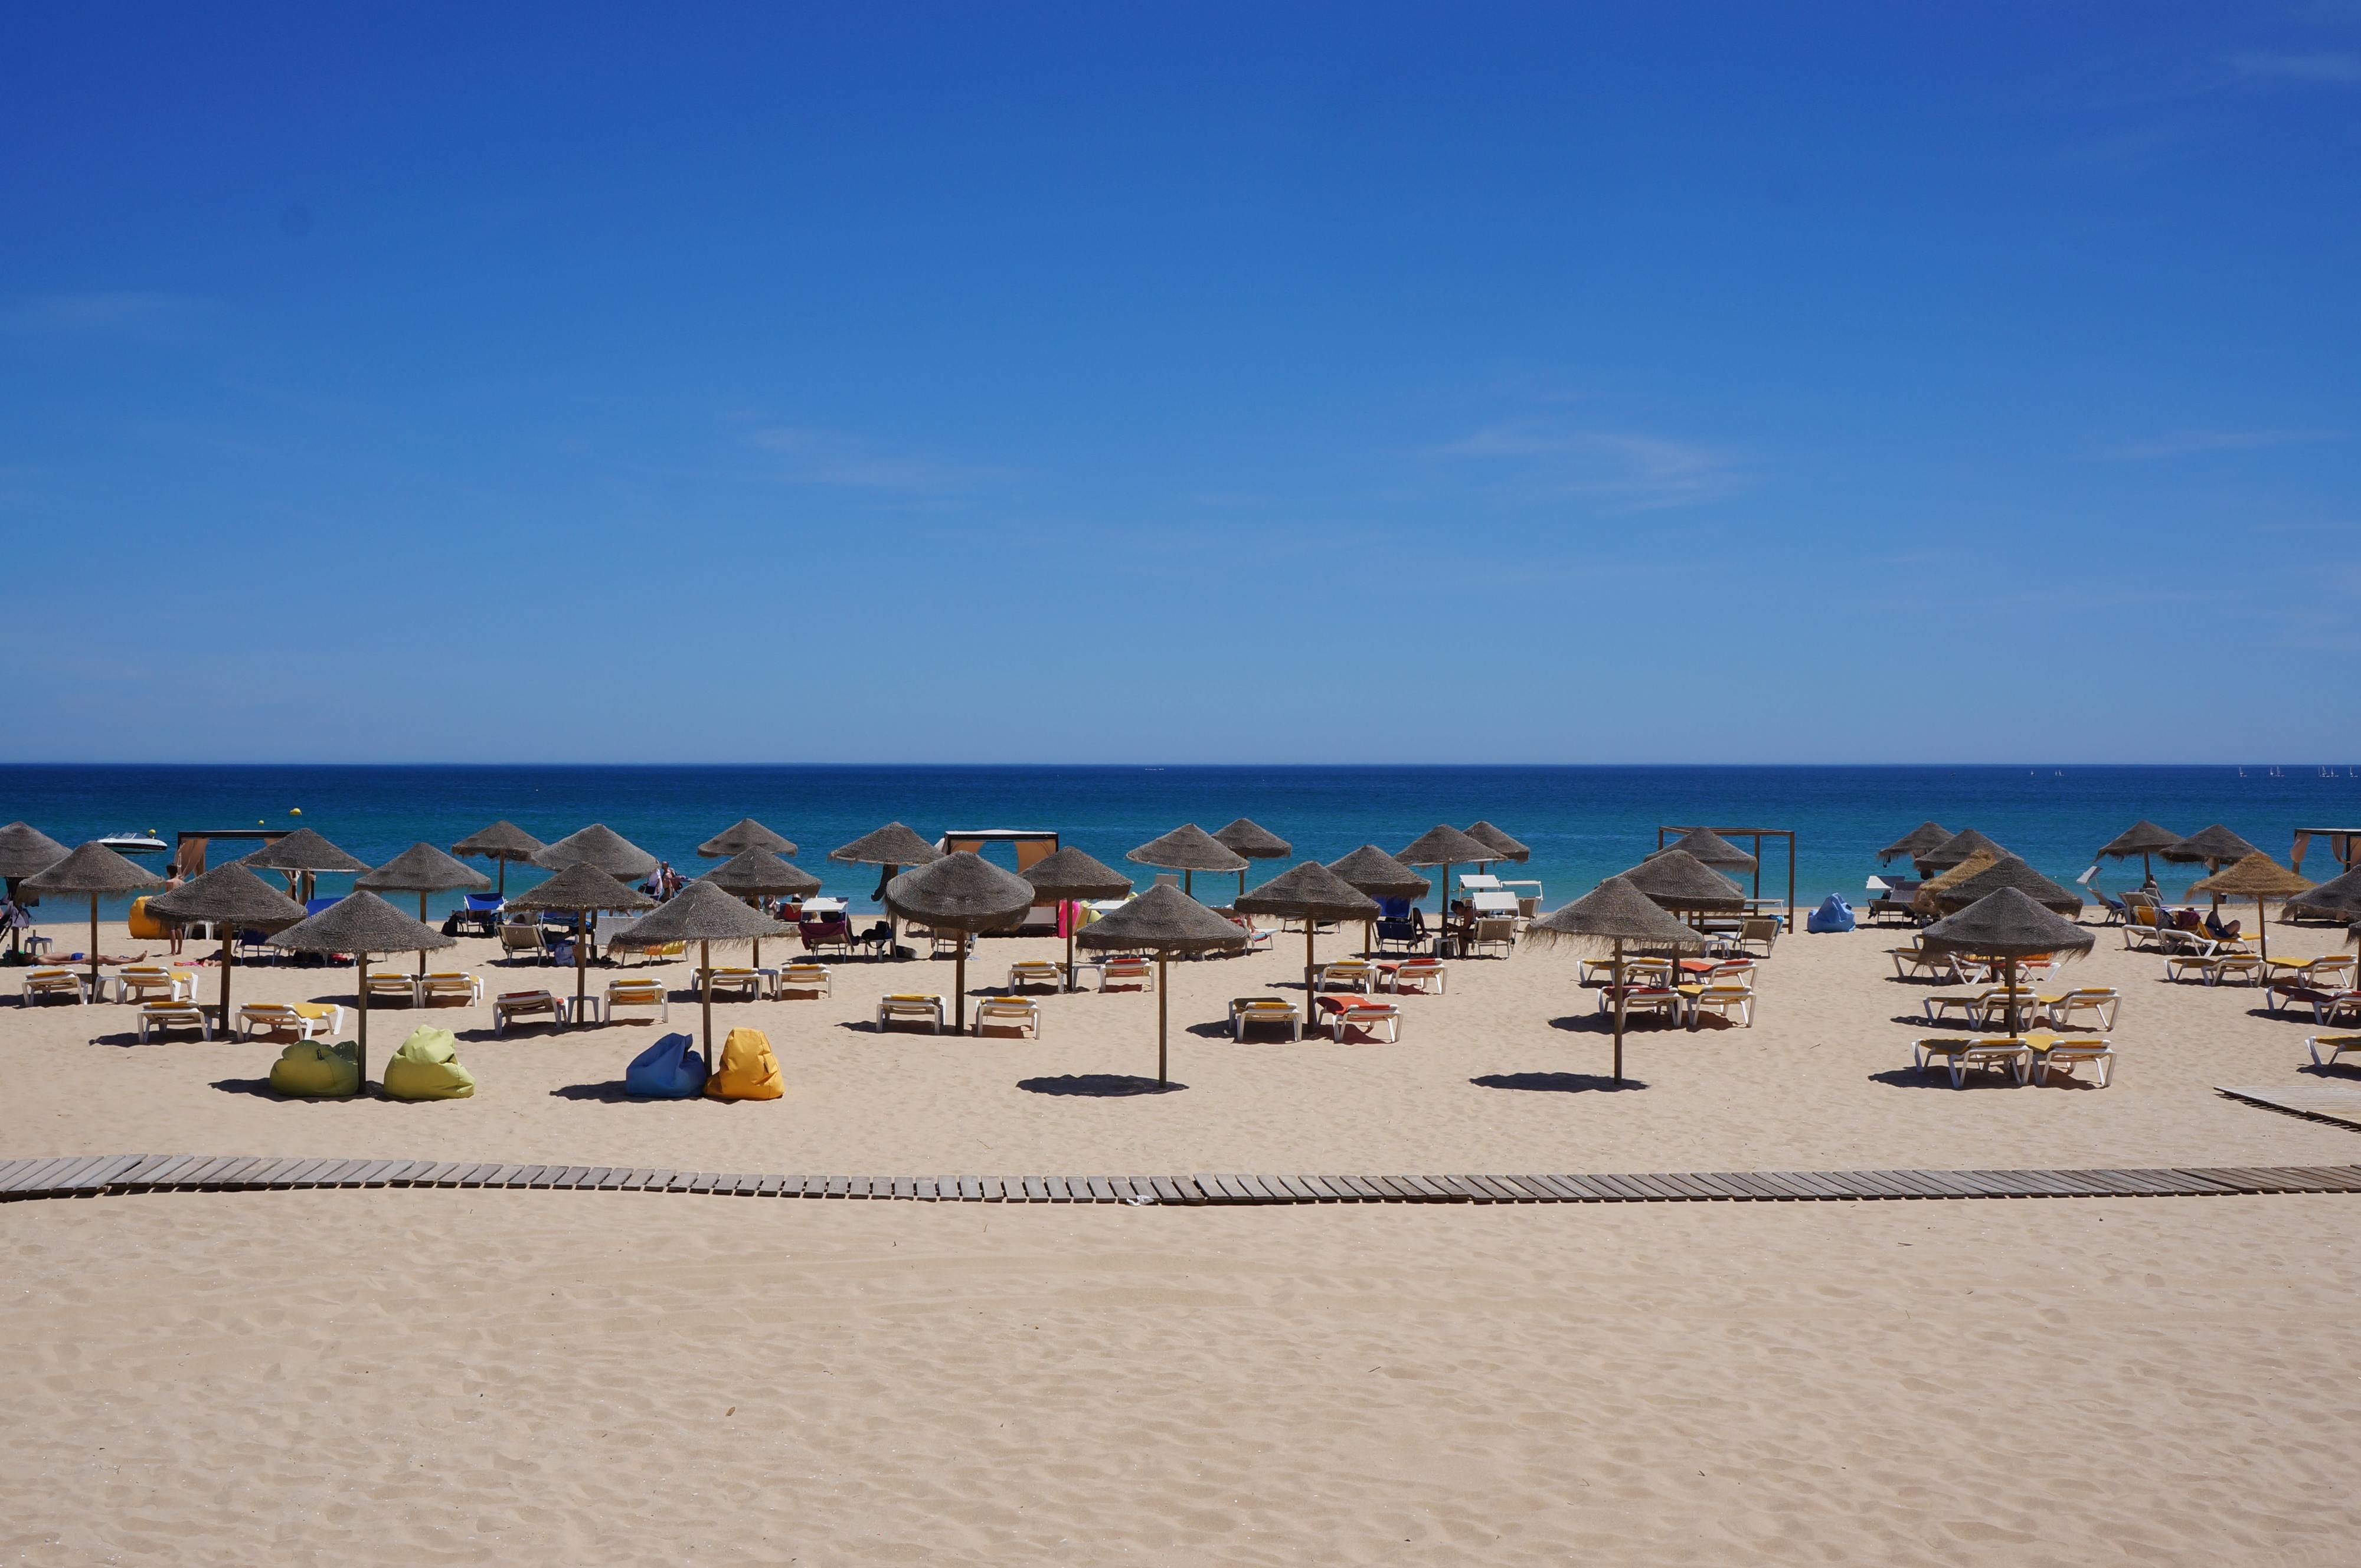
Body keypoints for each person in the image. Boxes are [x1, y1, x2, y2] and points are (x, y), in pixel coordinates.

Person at [162, 863, 186, 955]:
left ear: (168, 872)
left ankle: (173, 951)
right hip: (180, 907)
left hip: (171, 907)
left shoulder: (169, 882)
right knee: (179, 928)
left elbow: (166, 896)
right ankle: (180, 950)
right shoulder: (182, 883)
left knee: (171, 928)